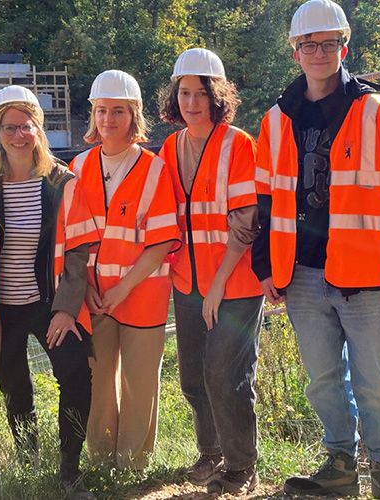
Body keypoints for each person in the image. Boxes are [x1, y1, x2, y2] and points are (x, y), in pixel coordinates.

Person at [251, 1, 380, 499]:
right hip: (301, 273)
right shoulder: (276, 118)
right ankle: (340, 463)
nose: (319, 53)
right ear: (295, 52)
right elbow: (264, 200)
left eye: (329, 44)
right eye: (310, 45)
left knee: (376, 383)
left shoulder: (375, 111)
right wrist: (266, 268)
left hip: (365, 275)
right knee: (323, 380)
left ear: (343, 47)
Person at [0, 85, 96, 500]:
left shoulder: (63, 182)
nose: (18, 135)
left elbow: (80, 251)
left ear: (38, 130)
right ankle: (29, 465)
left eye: (25, 126)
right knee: (15, 390)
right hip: (0, 309)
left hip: (50, 305)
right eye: (9, 127)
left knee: (77, 378)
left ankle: (70, 470)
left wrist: (66, 309)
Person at [156, 48, 264, 494]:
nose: (192, 102)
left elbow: (246, 223)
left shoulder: (238, 145)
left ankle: (242, 467)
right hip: (188, 281)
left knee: (225, 373)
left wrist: (218, 286)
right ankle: (212, 451)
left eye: (202, 93)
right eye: (184, 93)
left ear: (217, 97)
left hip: (234, 284)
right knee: (193, 377)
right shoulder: (169, 146)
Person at [66, 69, 180, 470]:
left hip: (142, 294)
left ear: (134, 115)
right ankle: (100, 464)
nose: (108, 120)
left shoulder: (154, 168)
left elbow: (162, 241)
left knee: (140, 384)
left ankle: (132, 467)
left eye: (118, 111)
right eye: (101, 110)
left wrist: (122, 289)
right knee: (97, 383)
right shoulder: (77, 168)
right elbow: (70, 241)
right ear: (92, 114)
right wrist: (82, 290)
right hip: (93, 296)